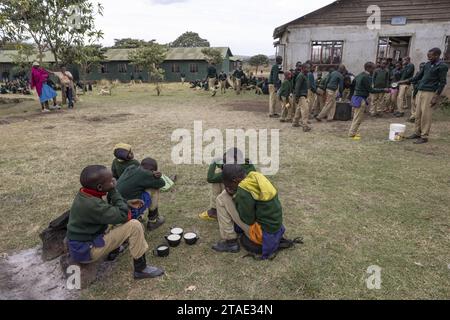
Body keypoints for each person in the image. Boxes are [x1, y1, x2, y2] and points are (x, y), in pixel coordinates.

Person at [66, 165, 164, 279]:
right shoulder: (92, 204)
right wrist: (113, 190)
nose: (114, 181)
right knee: (135, 226)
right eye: (110, 181)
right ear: (99, 187)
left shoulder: (85, 194)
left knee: (118, 220)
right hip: (87, 250)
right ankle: (141, 269)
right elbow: (124, 215)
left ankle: (114, 251)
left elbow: (106, 210)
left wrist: (126, 202)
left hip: (82, 243)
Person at [212, 164, 285, 260]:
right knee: (226, 195)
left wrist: (237, 200)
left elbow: (248, 220)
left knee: (222, 198)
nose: (228, 188)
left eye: (228, 185)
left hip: (261, 234)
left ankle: (231, 241)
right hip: (274, 229)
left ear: (235, 181)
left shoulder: (243, 192)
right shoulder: (254, 176)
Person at [400, 48, 449, 144]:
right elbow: (418, 76)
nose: (428, 57)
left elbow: (442, 82)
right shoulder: (427, 64)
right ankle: (417, 132)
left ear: (437, 55)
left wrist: (436, 96)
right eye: (428, 56)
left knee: (426, 115)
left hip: (430, 93)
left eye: (430, 56)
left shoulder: (442, 66)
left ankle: (424, 136)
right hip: (420, 91)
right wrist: (406, 81)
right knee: (418, 114)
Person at [200, 148, 256, 221]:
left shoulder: (234, 172)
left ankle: (215, 210)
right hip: (250, 197)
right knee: (222, 171)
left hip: (243, 200)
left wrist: (213, 161)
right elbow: (224, 166)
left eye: (227, 161)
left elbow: (210, 178)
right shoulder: (246, 163)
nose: (225, 163)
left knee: (219, 178)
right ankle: (215, 209)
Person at [116, 158, 166, 230]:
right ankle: (153, 221)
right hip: (128, 211)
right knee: (153, 189)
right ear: (152, 170)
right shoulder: (146, 174)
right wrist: (158, 176)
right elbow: (162, 183)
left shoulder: (131, 168)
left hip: (117, 210)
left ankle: (139, 217)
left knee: (140, 188)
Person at [348, 62, 390, 140]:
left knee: (356, 116)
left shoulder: (359, 75)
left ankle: (352, 131)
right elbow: (371, 90)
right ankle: (352, 133)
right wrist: (383, 89)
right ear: (369, 68)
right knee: (358, 118)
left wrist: (351, 95)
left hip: (356, 97)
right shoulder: (366, 77)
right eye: (373, 68)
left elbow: (352, 85)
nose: (374, 70)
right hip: (360, 99)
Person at [293, 63, 312, 132]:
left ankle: (295, 122)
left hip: (303, 95)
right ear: (303, 68)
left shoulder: (305, 75)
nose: (308, 69)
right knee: (305, 110)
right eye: (307, 68)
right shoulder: (300, 76)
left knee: (298, 109)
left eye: (309, 68)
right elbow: (297, 87)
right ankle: (305, 126)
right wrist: (297, 97)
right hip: (301, 95)